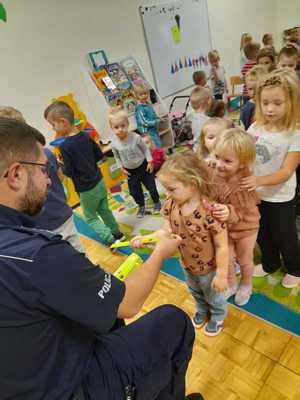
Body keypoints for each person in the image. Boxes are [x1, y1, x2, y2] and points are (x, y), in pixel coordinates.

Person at [0, 117, 204, 400]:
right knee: (174, 321)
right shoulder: (37, 255)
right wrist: (159, 253)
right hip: (70, 386)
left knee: (110, 323)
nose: (49, 178)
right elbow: (128, 304)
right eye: (44, 168)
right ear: (16, 175)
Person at [132, 152, 229, 336]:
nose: (167, 194)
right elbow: (165, 231)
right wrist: (145, 240)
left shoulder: (211, 211)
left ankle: (218, 315)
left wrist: (222, 274)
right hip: (186, 263)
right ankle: (202, 309)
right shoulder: (171, 204)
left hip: (209, 268)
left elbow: (222, 245)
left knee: (214, 296)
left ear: (192, 184)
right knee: (195, 291)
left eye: (171, 189)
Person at [241, 71, 300, 288]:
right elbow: (242, 150)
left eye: (277, 103)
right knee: (261, 232)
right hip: (256, 194)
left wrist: (259, 180)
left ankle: (295, 267)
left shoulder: (295, 134)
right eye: (265, 103)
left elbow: (286, 171)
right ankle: (270, 262)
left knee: (285, 235)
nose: (270, 108)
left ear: (290, 102)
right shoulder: (255, 127)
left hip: (280, 197)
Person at [0, 105, 83, 252]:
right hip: (57, 216)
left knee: (70, 252)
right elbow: (60, 177)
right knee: (74, 251)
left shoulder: (43, 154)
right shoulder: (46, 153)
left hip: (48, 222)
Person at [44, 101, 124, 246]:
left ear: (63, 122)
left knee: (91, 217)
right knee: (104, 209)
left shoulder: (65, 146)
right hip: (100, 181)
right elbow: (100, 156)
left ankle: (110, 238)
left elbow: (69, 172)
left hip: (86, 189)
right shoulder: (86, 136)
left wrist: (60, 164)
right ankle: (118, 233)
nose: (53, 128)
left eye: (53, 125)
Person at [211, 128, 260, 305]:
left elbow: (241, 212)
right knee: (226, 258)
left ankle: (246, 284)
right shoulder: (216, 171)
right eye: (217, 157)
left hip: (247, 227)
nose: (219, 164)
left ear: (242, 163)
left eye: (227, 161)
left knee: (244, 259)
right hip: (226, 227)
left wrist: (228, 212)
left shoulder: (244, 182)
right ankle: (231, 284)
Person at [109, 108, 161, 218]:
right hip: (130, 171)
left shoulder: (136, 137)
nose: (120, 129)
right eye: (116, 127)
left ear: (127, 124)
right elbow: (116, 156)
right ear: (112, 128)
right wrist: (120, 167)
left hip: (143, 167)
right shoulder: (113, 144)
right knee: (134, 191)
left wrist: (150, 161)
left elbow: (146, 149)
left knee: (151, 186)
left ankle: (157, 202)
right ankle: (141, 206)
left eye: (123, 126)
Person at [240, 65, 267, 130]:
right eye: (250, 89)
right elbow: (243, 126)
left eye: (257, 88)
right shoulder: (246, 109)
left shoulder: (268, 105)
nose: (253, 92)